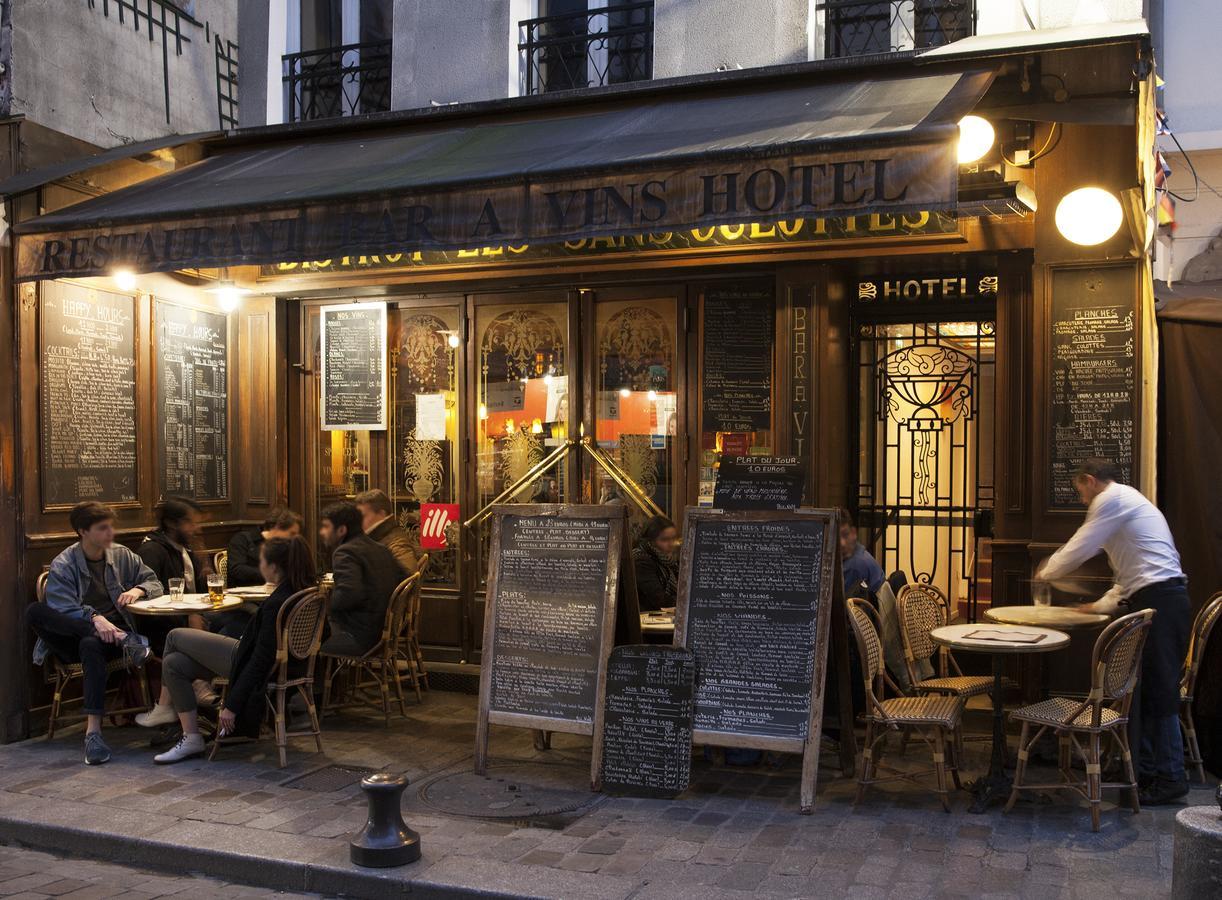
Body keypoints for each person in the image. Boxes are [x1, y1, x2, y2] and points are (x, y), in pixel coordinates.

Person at [1036, 458, 1191, 805]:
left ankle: (1169, 777)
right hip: (1163, 598)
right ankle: (1146, 772)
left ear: (1091, 481)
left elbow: (1082, 544)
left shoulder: (1111, 500)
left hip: (1161, 601)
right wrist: (1097, 606)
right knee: (1150, 690)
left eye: (1081, 492)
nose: (1082, 500)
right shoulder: (1128, 502)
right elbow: (1128, 580)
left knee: (1160, 690)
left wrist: (1047, 571)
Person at [137, 536, 318, 763]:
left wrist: (231, 705)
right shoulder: (306, 591)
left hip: (245, 660)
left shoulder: (276, 603)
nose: (259, 566)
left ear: (273, 567)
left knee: (173, 636)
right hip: (281, 663)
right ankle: (191, 737)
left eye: (261, 561)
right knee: (173, 664)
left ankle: (163, 707)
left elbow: (259, 660)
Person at [27, 502, 162, 765]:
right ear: (82, 532)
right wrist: (93, 618)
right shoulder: (64, 563)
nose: (110, 533)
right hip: (72, 638)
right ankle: (128, 641)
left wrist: (138, 590)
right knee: (35, 611)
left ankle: (93, 734)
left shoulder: (122, 555)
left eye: (111, 526)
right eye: (102, 528)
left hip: (111, 639)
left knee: (91, 643)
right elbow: (62, 609)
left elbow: (154, 581)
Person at [319, 501, 403, 657]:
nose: (322, 532)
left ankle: (334, 681)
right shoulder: (381, 548)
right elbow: (402, 576)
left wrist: (324, 605)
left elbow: (349, 594)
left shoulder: (345, 552)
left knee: (311, 642)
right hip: (384, 634)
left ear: (342, 530)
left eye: (326, 526)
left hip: (360, 638)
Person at [137, 497, 209, 594]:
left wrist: (205, 568)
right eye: (189, 522)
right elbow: (148, 592)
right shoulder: (151, 551)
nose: (196, 528)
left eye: (196, 523)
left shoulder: (187, 547)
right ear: (171, 523)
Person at [226, 508, 303, 587]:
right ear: (277, 527)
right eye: (292, 534)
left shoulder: (289, 546)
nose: (293, 538)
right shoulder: (243, 539)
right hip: (246, 592)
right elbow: (236, 569)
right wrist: (271, 575)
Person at [354, 489, 419, 576]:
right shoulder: (382, 536)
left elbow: (409, 578)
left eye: (363, 516)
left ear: (381, 514)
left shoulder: (397, 543)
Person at [633, 515, 679, 612]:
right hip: (644, 620)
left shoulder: (669, 560)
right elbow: (660, 599)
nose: (671, 544)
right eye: (664, 539)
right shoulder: (641, 560)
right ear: (651, 541)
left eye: (673, 538)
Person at [839, 508, 884, 599]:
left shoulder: (854, 565)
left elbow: (843, 607)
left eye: (845, 534)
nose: (842, 543)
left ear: (854, 533)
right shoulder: (859, 551)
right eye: (836, 536)